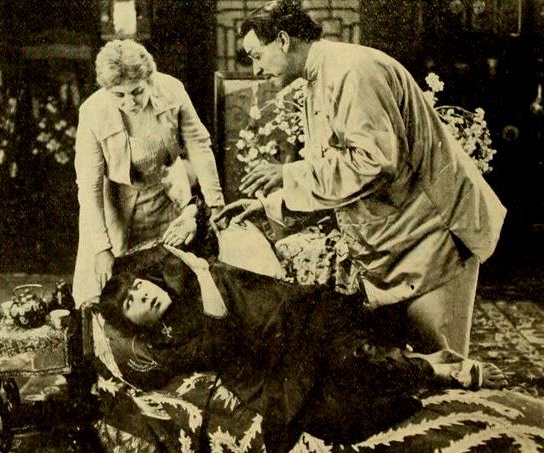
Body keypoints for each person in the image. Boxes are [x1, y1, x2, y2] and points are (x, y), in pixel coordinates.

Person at [214, 0, 506, 357]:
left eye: (257, 56)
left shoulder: (351, 72)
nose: (256, 69)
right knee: (416, 364)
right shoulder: (320, 77)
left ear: (284, 40)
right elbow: (337, 173)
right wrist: (269, 205)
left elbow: (374, 162)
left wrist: (287, 174)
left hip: (437, 229)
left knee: (446, 362)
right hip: (405, 235)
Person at [96, 243, 506, 452]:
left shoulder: (185, 281)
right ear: (134, 323)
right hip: (270, 371)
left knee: (351, 358)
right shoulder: (167, 344)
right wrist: (202, 270)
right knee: (338, 415)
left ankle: (437, 368)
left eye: (139, 287)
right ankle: (426, 364)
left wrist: (199, 267)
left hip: (295, 325)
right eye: (131, 303)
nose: (143, 296)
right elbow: (220, 327)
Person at [73, 39, 225, 305]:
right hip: (116, 207)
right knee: (108, 291)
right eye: (119, 95)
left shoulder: (172, 90)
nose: (130, 102)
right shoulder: (92, 111)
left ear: (149, 80)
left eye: (137, 91)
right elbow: (89, 186)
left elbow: (199, 146)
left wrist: (216, 204)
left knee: (172, 282)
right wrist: (101, 247)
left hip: (167, 197)